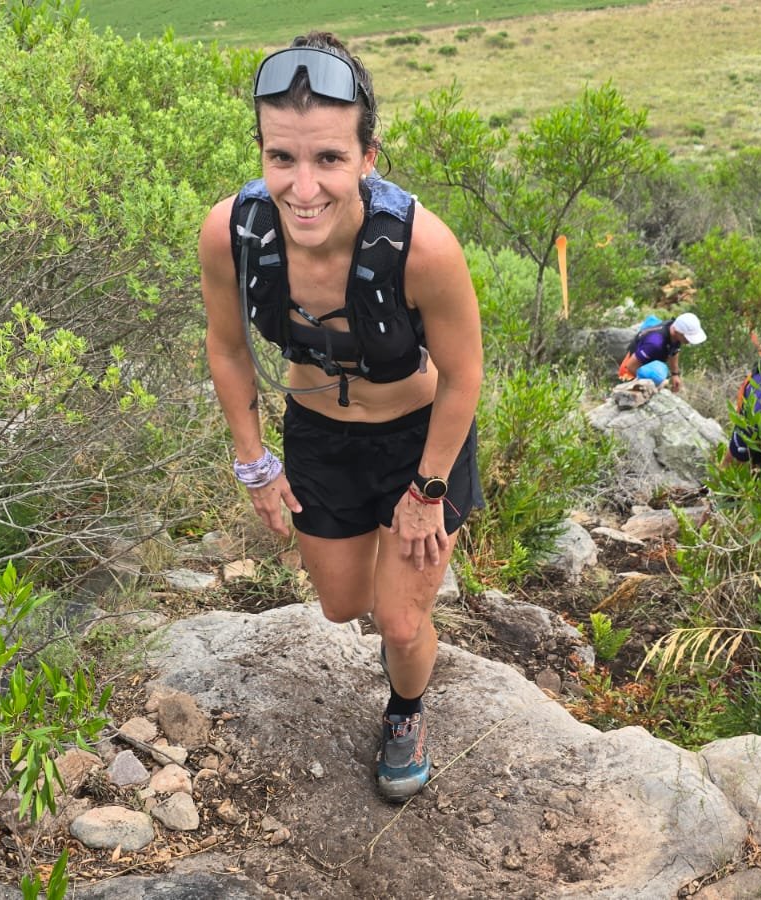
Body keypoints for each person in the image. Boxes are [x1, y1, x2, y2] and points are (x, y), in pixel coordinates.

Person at [198, 32, 484, 803]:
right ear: (261, 153)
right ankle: (400, 617)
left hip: (420, 439)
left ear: (367, 157)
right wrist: (255, 462)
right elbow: (226, 347)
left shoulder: (421, 248)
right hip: (320, 435)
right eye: (281, 157)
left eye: (328, 157)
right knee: (340, 605)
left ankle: (406, 708)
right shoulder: (234, 235)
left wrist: (427, 491)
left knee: (397, 623)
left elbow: (464, 375)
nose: (303, 187)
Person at [617, 312, 706, 392]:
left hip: (649, 356)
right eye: (687, 337)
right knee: (658, 375)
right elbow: (631, 365)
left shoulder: (674, 329)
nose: (689, 341)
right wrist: (649, 384)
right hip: (630, 369)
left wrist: (675, 374)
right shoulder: (655, 343)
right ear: (676, 332)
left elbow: (674, 350)